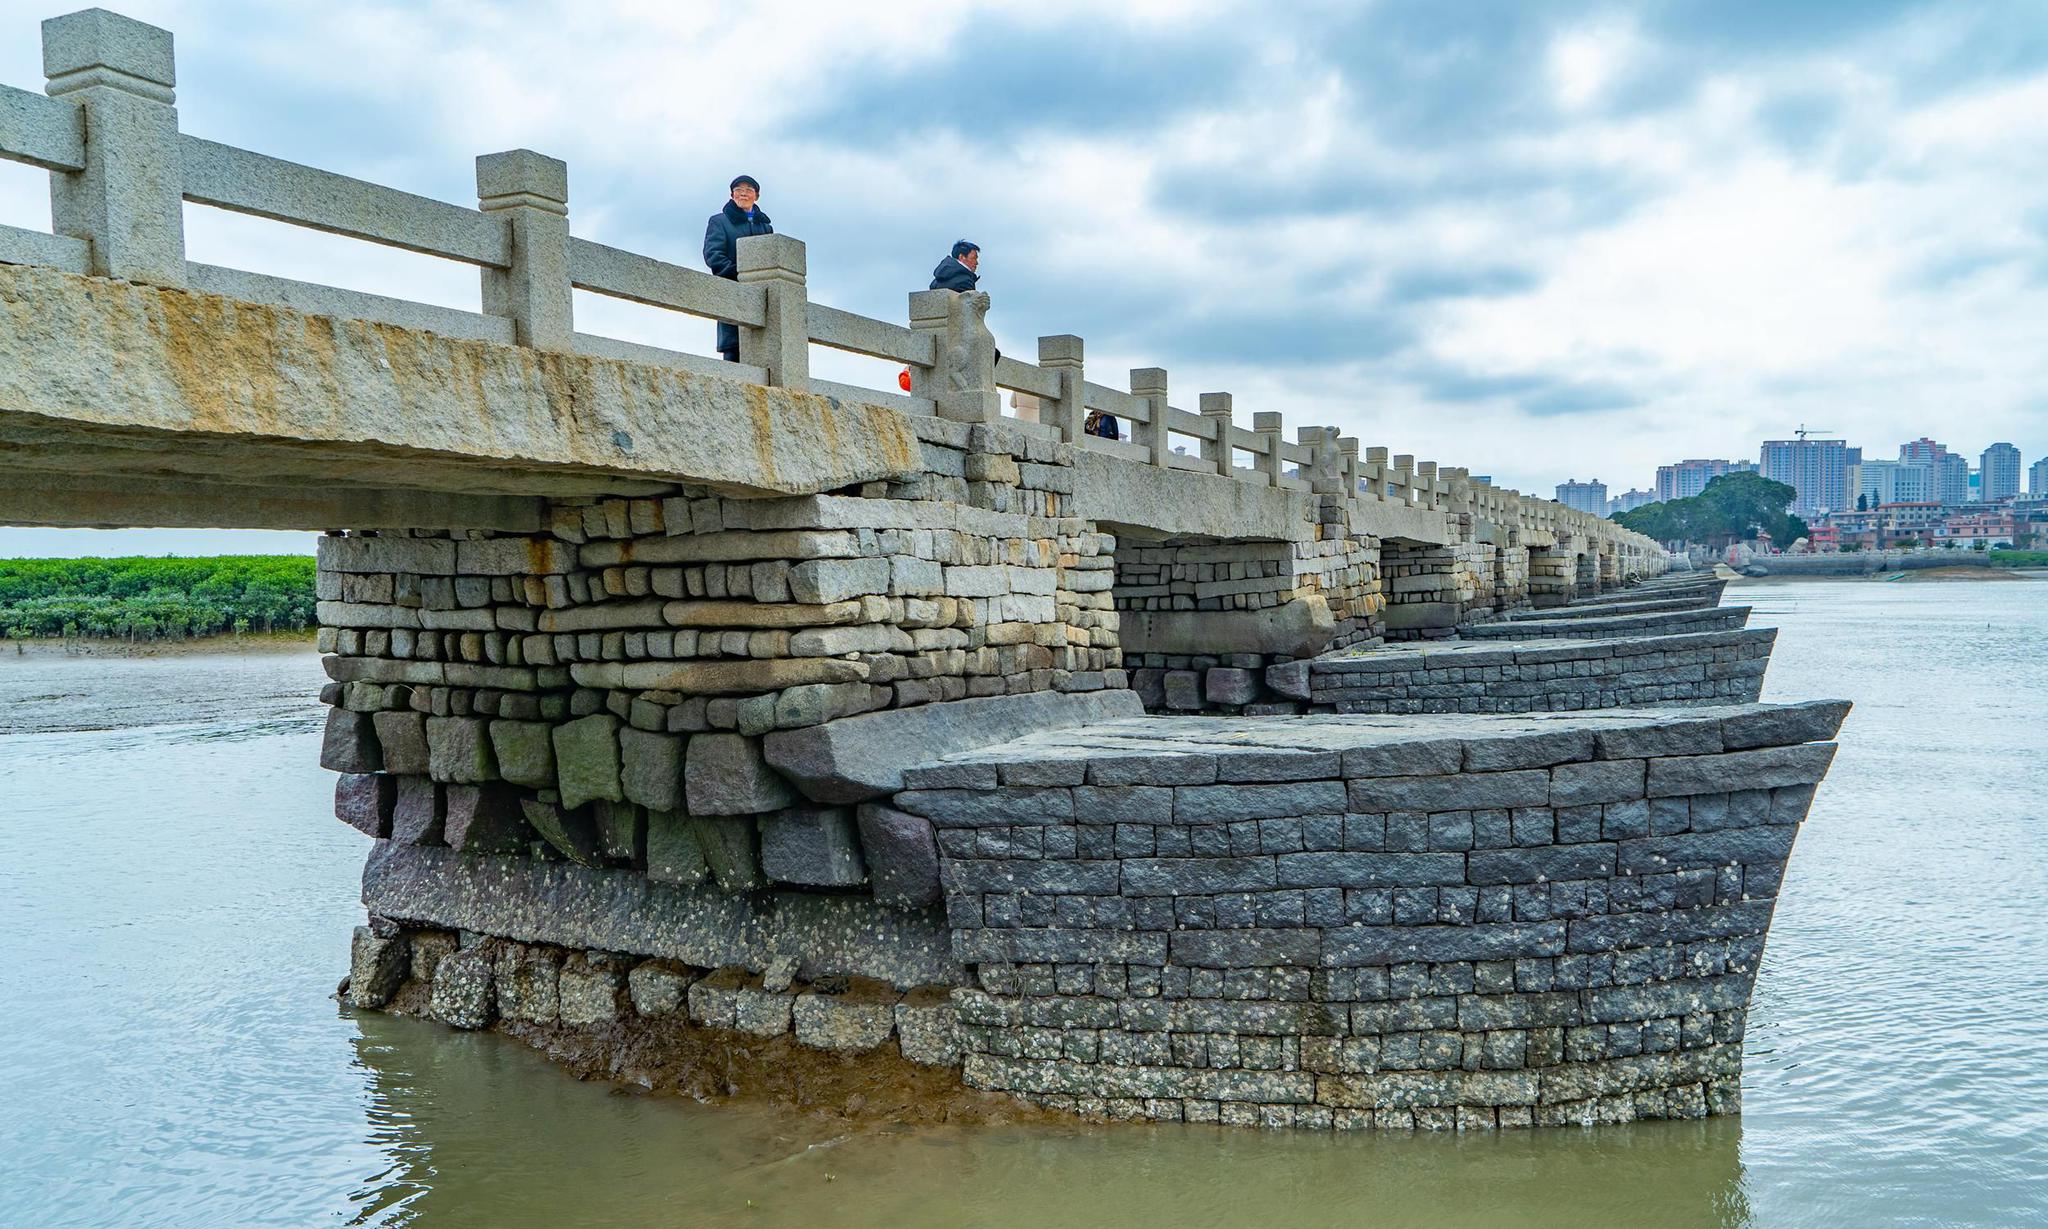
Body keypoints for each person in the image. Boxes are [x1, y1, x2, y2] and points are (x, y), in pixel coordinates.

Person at [703, 175, 772, 361]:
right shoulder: (719, 221)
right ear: (732, 195)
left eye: (749, 190)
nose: (743, 193)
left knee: (765, 351)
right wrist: (740, 274)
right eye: (738, 190)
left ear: (756, 196)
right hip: (732, 292)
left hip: (761, 297)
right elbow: (713, 256)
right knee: (734, 352)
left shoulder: (765, 227)